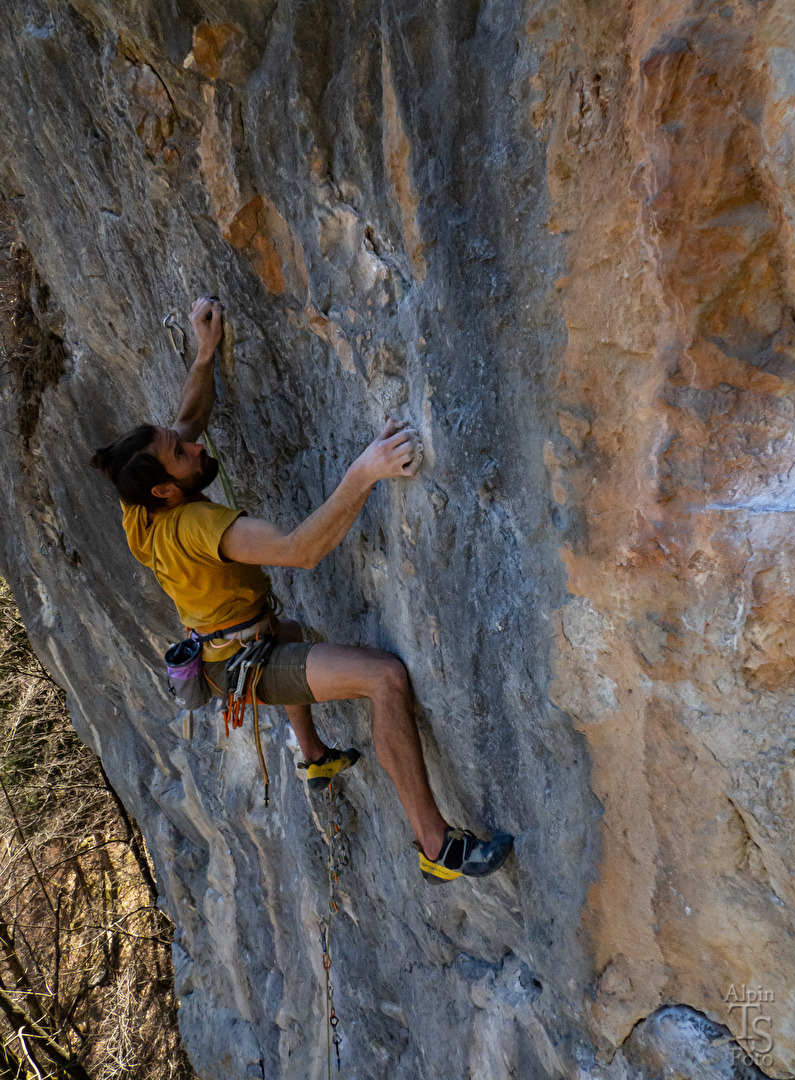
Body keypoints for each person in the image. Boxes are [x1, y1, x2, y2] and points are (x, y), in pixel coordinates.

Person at [90, 296, 512, 883]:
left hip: (232, 647)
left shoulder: (141, 506)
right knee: (382, 677)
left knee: (290, 633)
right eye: (182, 456)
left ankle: (313, 755)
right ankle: (436, 845)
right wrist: (365, 472)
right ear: (166, 490)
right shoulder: (197, 527)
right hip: (247, 666)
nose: (194, 446)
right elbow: (300, 550)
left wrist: (204, 353)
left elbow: (186, 418)